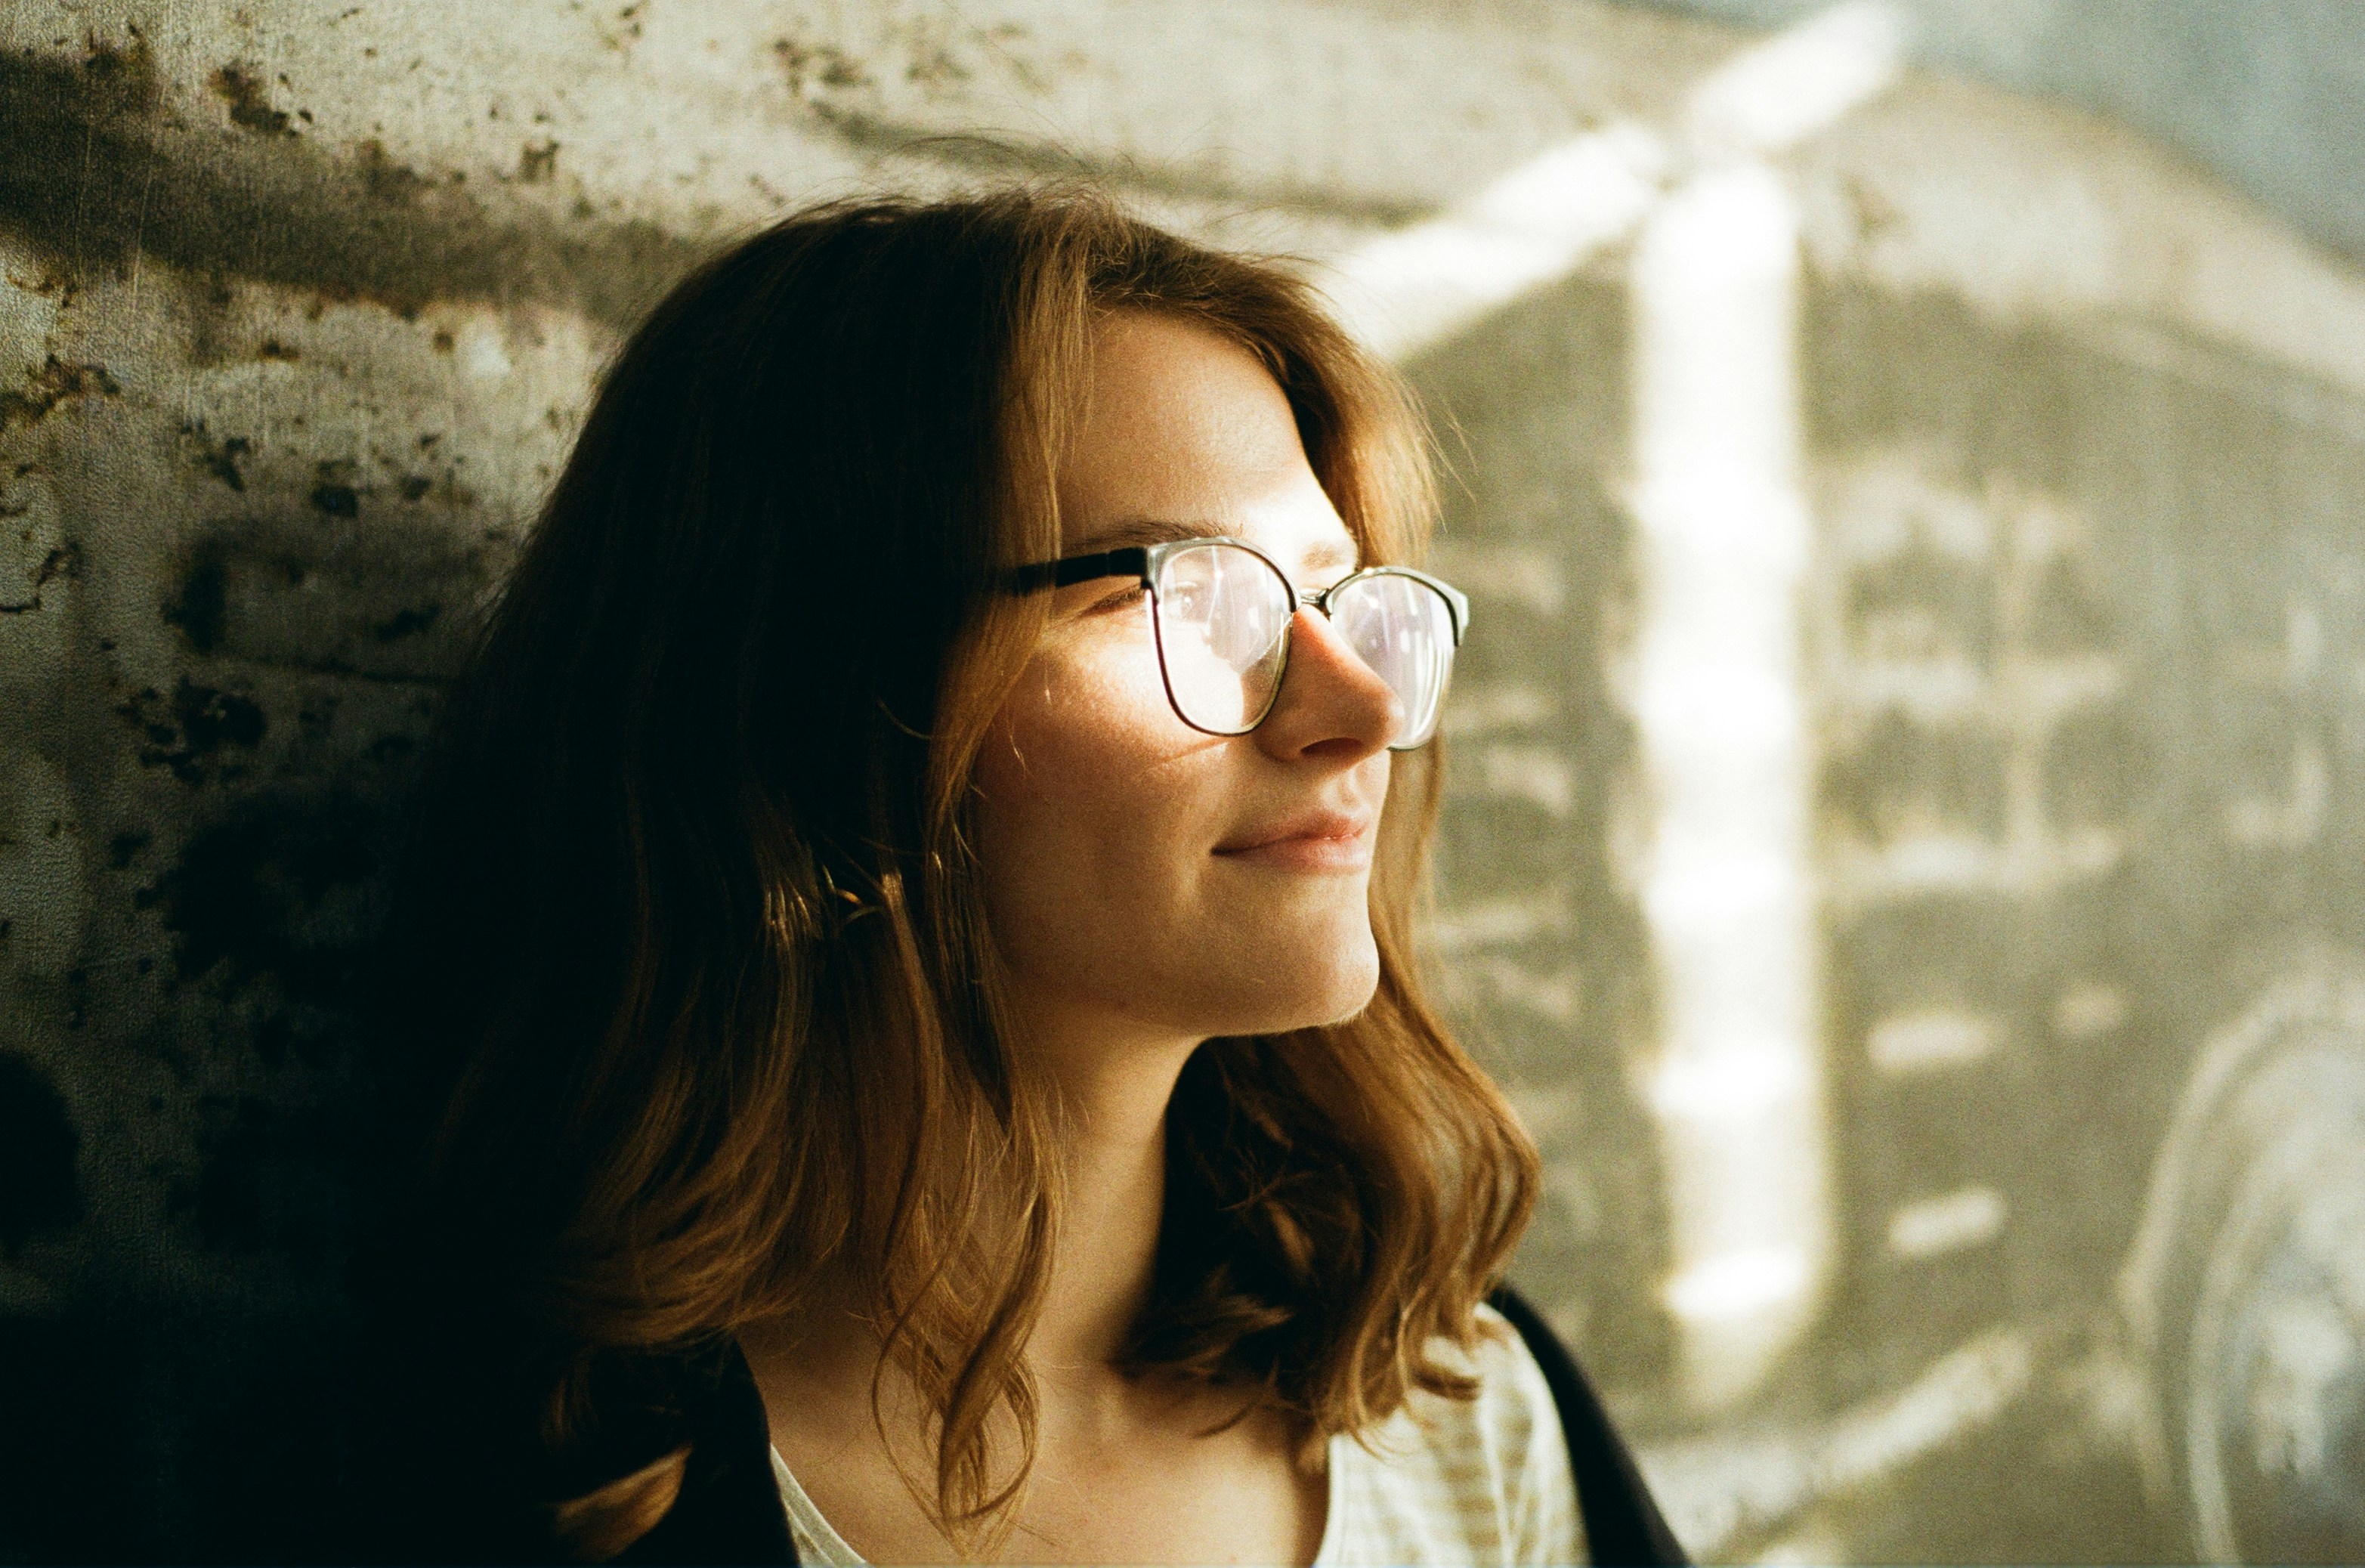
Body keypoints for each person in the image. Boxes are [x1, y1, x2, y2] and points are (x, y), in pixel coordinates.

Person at [361, 188, 1682, 1566]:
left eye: (1341, 597)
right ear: (817, 691)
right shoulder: (546, 1503)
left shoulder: (1458, 1415)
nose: (1359, 710)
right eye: (1191, 596)